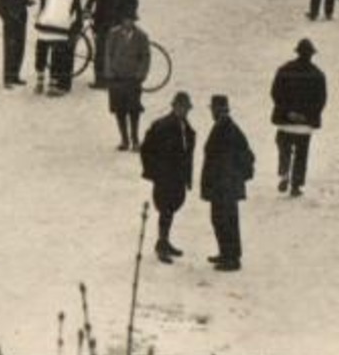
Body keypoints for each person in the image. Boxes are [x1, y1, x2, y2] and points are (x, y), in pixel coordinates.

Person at [199, 95, 254, 272]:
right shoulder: (225, 126)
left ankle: (232, 259)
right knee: (221, 220)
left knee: (225, 221)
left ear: (221, 110)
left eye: (215, 109)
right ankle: (226, 253)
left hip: (224, 186)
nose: (213, 112)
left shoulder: (227, 128)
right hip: (223, 185)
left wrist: (233, 178)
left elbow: (245, 156)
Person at [140, 92, 196, 265]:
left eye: (186, 108)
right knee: (166, 209)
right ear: (175, 107)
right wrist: (154, 172)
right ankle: (162, 245)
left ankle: (164, 241)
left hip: (176, 177)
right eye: (182, 108)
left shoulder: (184, 126)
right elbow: (146, 150)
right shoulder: (163, 126)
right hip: (166, 177)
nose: (185, 111)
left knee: (171, 209)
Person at [270, 39, 326, 197]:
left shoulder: (284, 70)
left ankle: (284, 172)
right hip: (305, 124)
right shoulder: (317, 75)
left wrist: (288, 112)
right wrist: (306, 115)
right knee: (301, 154)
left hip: (285, 121)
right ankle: (296, 185)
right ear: (311, 55)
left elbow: (276, 93)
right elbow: (320, 100)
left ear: (297, 52)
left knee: (283, 147)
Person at [85, 0, 140, 88]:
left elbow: (133, 4)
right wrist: (87, 8)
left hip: (119, 22)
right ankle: (100, 81)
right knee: (100, 52)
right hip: (102, 20)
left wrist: (128, 18)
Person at [104, 17, 152, 150]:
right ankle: (124, 139)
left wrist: (140, 74)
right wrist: (109, 72)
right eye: (125, 20)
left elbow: (146, 57)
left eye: (130, 20)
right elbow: (108, 54)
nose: (127, 23)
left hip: (132, 80)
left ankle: (135, 139)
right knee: (119, 110)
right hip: (117, 79)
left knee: (134, 110)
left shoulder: (141, 36)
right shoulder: (113, 35)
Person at [34, 0, 83, 96]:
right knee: (44, 54)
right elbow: (44, 9)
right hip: (50, 28)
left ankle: (61, 85)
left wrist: (74, 30)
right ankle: (45, 81)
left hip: (63, 30)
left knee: (61, 56)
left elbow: (77, 14)